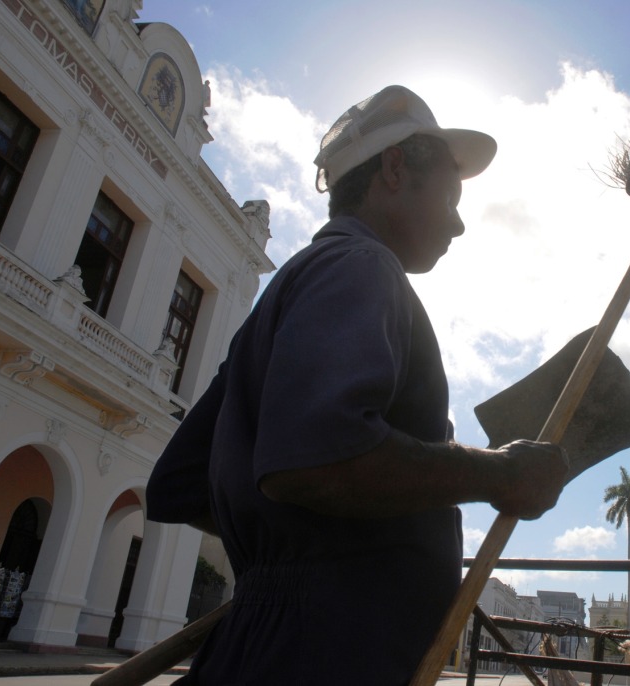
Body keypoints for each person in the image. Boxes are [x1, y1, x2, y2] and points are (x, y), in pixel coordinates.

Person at [146, 85, 570, 685]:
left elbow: (180, 485)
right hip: (329, 655)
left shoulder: (287, 294)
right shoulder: (362, 267)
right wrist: (500, 475)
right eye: (450, 196)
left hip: (262, 647)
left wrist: (290, 558)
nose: (459, 222)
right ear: (395, 169)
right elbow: (315, 460)